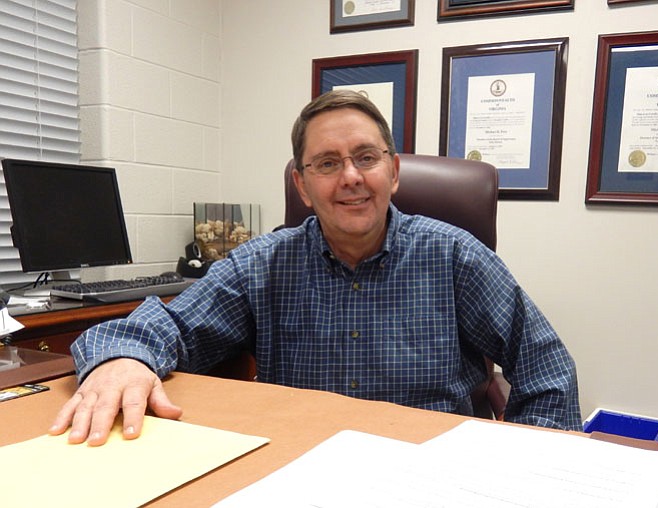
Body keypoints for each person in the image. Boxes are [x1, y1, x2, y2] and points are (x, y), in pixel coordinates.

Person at [49, 90, 581, 446]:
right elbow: (167, 325)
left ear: (393, 173)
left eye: (366, 158)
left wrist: (526, 463)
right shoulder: (263, 263)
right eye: (327, 163)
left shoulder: (455, 256)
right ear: (302, 186)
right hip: (299, 466)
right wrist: (121, 359)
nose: (350, 176)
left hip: (430, 470)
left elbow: (546, 367)